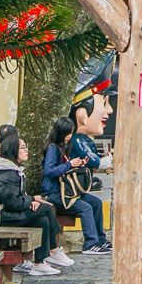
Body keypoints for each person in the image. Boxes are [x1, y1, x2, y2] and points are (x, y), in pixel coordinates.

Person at [0, 127, 68, 276]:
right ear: (13, 150)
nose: (27, 150)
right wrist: (31, 200)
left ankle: (39, 262)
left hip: (4, 211)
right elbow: (12, 203)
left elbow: (17, 198)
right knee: (45, 209)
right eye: (22, 148)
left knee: (42, 220)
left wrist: (30, 200)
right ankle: (54, 250)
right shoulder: (5, 172)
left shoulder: (13, 170)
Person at [40, 102, 112, 254]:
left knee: (96, 203)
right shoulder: (53, 148)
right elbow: (49, 171)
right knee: (85, 208)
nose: (69, 137)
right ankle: (90, 244)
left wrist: (79, 165)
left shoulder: (64, 148)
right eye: (67, 134)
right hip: (54, 193)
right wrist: (68, 165)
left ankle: (100, 239)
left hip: (67, 190)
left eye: (71, 134)